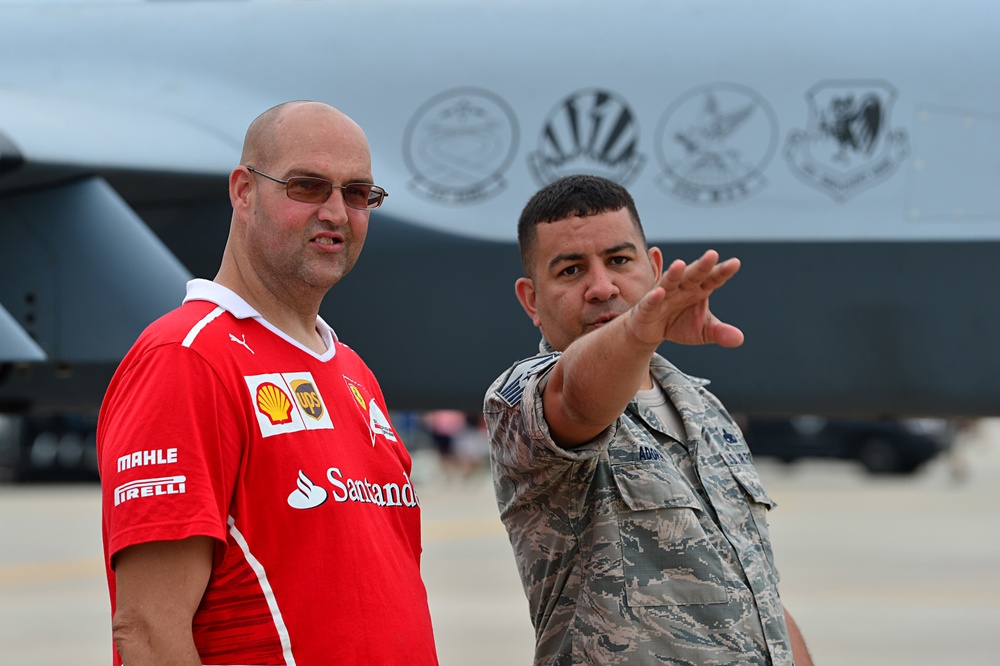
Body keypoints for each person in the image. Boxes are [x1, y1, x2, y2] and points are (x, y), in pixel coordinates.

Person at [97, 101, 438, 665]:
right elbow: (148, 632)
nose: (336, 211)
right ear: (243, 191)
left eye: (357, 194)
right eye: (308, 187)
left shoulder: (353, 371)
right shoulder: (186, 359)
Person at [484, 175, 813, 665]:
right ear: (532, 300)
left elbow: (754, 596)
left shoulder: (705, 409)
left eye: (619, 260)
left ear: (653, 267)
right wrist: (641, 330)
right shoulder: (523, 400)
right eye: (571, 271)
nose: (601, 287)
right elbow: (577, 401)